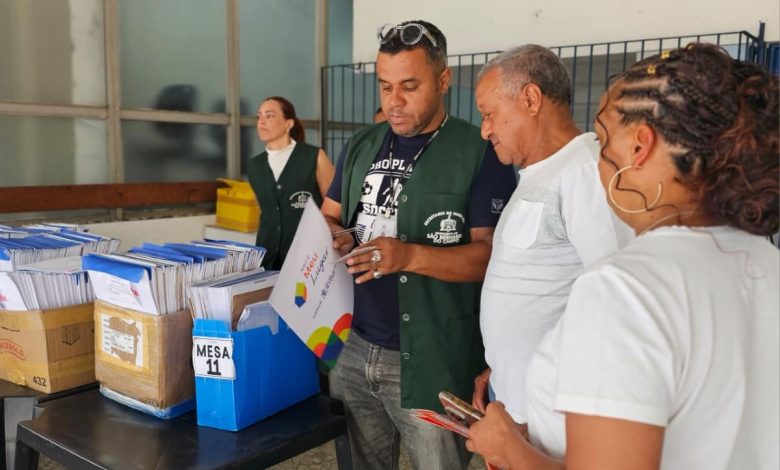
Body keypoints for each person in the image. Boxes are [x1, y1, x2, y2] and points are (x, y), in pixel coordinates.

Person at [467, 43, 779, 469]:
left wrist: (506, 448)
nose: (596, 154)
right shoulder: (766, 262)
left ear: (640, 147)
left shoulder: (625, 287)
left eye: (603, 137)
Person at [321, 20, 517, 470]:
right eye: (385, 86)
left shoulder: (480, 151)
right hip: (353, 346)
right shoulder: (361, 144)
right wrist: (333, 235)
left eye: (410, 86)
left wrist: (409, 255)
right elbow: (329, 215)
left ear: (444, 80)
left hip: (434, 359)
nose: (394, 101)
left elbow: (491, 257)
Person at [472, 45, 631, 426]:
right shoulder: (541, 173)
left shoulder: (584, 173)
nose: (485, 130)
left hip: (553, 415)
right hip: (518, 398)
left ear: (530, 99)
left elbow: (617, 304)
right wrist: (501, 365)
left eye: (489, 114)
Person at [247, 96, 334, 270]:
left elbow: (334, 206)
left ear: (288, 124)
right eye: (259, 116)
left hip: (309, 258)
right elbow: (265, 210)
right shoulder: (254, 165)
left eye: (269, 116)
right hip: (267, 256)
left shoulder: (314, 156)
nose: (261, 122)